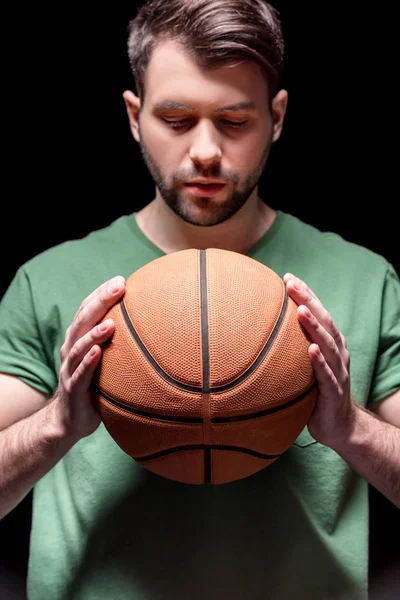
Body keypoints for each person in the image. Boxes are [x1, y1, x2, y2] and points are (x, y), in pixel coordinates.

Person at [0, 1, 399, 598]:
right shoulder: (50, 279)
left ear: (277, 116)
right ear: (135, 117)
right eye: (177, 119)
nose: (207, 150)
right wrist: (56, 424)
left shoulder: (365, 279)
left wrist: (351, 431)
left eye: (235, 121)